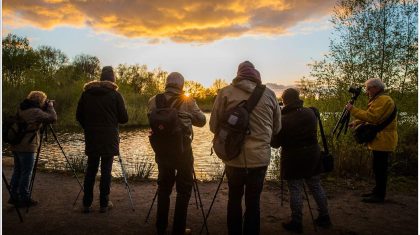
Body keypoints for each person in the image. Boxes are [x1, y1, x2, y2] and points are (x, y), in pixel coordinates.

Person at [210, 61, 281, 235]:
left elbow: (213, 125)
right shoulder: (270, 95)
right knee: (253, 201)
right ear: (257, 75)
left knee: (234, 199)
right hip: (260, 158)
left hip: (233, 156)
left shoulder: (225, 92)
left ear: (238, 74)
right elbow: (277, 128)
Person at [148, 72, 206, 235]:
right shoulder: (188, 100)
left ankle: (161, 227)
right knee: (184, 189)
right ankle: (178, 229)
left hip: (161, 149)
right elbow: (202, 121)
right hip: (183, 150)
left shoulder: (153, 100)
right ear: (181, 86)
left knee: (164, 187)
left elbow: (151, 121)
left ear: (167, 83)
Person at [271, 88, 331, 233]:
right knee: (316, 186)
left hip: (293, 158)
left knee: (295, 189)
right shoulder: (311, 113)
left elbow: (275, 144)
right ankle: (325, 217)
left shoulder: (283, 120)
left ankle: (297, 222)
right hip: (313, 154)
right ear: (298, 98)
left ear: (284, 101)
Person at [76, 66, 128, 213]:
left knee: (91, 170)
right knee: (106, 171)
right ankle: (104, 204)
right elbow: (124, 119)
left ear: (100, 78)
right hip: (109, 138)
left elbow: (78, 116)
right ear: (113, 79)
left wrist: (89, 127)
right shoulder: (115, 95)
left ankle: (86, 203)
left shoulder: (86, 94)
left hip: (91, 137)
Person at [346, 78, 398, 203]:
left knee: (380, 168)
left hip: (384, 140)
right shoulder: (380, 99)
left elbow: (372, 117)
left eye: (368, 88)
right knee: (377, 167)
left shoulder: (383, 100)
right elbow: (375, 116)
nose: (367, 91)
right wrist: (357, 122)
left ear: (376, 88)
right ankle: (376, 191)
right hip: (381, 139)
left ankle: (379, 196)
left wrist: (352, 109)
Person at [9, 91, 57, 207]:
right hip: (27, 146)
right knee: (26, 173)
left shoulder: (21, 108)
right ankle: (24, 198)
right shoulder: (35, 112)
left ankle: (14, 196)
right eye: (43, 100)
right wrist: (50, 106)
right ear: (39, 101)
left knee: (17, 171)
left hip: (16, 145)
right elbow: (53, 118)